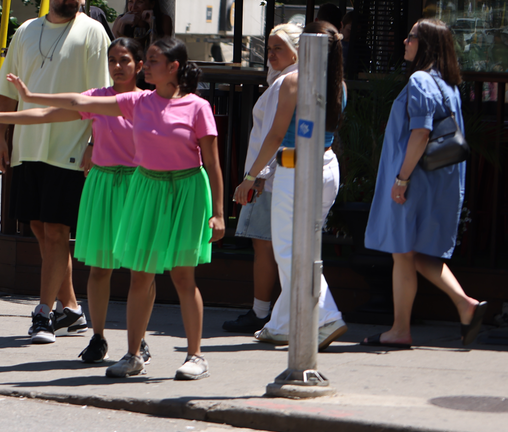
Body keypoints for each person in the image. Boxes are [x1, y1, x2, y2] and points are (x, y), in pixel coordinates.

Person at [18, 36, 224, 381]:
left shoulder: (197, 107)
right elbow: (77, 101)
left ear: (173, 68)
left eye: (155, 61)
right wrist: (30, 95)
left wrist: (218, 212)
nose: (148, 66)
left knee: (183, 277)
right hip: (147, 188)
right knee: (141, 275)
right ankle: (132, 355)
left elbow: (214, 165)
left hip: (187, 190)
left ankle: (195, 356)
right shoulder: (137, 101)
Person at [0, 36, 147, 365]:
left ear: (139, 66)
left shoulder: (150, 102)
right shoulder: (97, 98)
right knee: (99, 268)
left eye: (125, 60)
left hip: (140, 185)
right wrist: (0, 119)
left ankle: (138, 341)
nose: (117, 66)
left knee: (142, 271)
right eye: (113, 60)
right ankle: (97, 338)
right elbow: (49, 113)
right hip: (104, 185)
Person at [0, 0, 110, 344]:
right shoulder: (27, 31)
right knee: (41, 229)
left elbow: (104, 97)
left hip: (70, 147)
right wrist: (0, 139)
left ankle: (42, 314)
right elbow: (7, 92)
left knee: (57, 231)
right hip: (28, 146)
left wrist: (95, 142)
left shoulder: (93, 32)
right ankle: (72, 310)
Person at [361, 18, 487, 348]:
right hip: (439, 181)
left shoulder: (419, 80)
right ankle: (464, 304)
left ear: (426, 44)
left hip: (414, 180)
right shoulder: (449, 85)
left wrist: (401, 179)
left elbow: (421, 133)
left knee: (403, 254)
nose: (405, 40)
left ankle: (400, 330)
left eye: (412, 36)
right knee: (416, 254)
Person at [234, 21, 348, 349]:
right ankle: (282, 323)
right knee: (302, 247)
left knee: (289, 250)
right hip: (325, 166)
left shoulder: (293, 82)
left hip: (295, 167)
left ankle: (327, 316)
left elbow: (273, 135)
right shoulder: (338, 84)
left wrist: (251, 176)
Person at [223, 23, 300, 334]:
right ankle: (274, 310)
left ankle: (261, 311)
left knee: (265, 244)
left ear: (297, 51)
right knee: (275, 245)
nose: (271, 54)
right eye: (269, 48)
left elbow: (273, 135)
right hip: (278, 173)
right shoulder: (291, 80)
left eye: (278, 48)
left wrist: (254, 177)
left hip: (269, 176)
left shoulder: (285, 83)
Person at [110, 0, 175, 47]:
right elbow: (113, 50)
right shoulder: (121, 19)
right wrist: (122, 23)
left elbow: (163, 51)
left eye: (140, 2)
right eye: (130, 1)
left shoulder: (164, 20)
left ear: (152, 4)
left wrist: (152, 25)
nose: (134, 7)